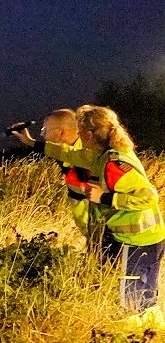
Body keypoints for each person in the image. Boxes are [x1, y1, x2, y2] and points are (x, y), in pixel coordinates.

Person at [76, 105, 164, 313]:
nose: (78, 135)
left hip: (138, 242)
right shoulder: (110, 154)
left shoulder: (113, 164)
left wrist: (104, 197)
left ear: (89, 133)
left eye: (79, 130)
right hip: (146, 239)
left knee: (133, 306)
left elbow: (149, 197)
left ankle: (139, 340)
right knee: (145, 303)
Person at [12, 108, 114, 259]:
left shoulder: (90, 155)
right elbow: (59, 151)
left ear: (61, 133)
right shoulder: (68, 155)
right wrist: (29, 141)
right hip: (94, 234)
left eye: (44, 130)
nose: (42, 134)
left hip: (110, 234)